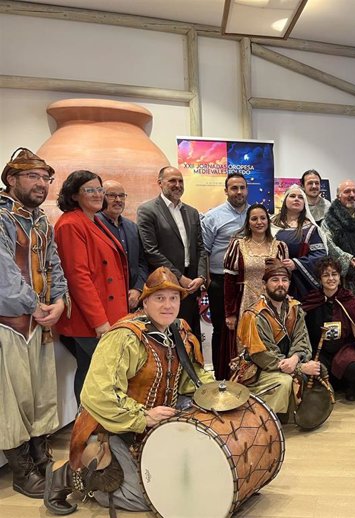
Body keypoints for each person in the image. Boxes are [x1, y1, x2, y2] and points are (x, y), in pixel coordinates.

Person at [43, 267, 214, 515]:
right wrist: (143, 416)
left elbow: (191, 380)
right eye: (159, 298)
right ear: (144, 303)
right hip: (113, 427)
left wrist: (217, 393)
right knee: (146, 499)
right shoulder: (124, 337)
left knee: (179, 483)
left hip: (154, 424)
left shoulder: (180, 331)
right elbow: (99, 394)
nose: (168, 305)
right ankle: (70, 474)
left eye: (173, 298)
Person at [0, 148, 68, 499]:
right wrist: (36, 305)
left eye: (45, 178)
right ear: (11, 179)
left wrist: (58, 301)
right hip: (8, 322)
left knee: (42, 394)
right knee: (13, 399)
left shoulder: (41, 220)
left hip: (40, 321)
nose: (42, 184)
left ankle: (41, 456)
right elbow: (4, 275)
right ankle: (21, 470)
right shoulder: (1, 217)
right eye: (33, 177)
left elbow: (54, 263)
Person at [54, 170, 129, 405]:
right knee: (101, 377)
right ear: (74, 195)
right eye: (90, 190)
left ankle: (92, 430)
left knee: (91, 373)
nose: (97, 195)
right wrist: (100, 322)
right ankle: (92, 430)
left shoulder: (93, 220)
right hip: (90, 320)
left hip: (108, 314)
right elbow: (78, 277)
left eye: (99, 190)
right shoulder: (70, 224)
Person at [236, 261, 319, 416]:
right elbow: (263, 356)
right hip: (260, 371)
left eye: (284, 280)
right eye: (275, 280)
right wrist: (299, 367)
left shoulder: (295, 308)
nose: (280, 284)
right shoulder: (254, 315)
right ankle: (265, 421)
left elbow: (302, 340)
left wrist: (295, 359)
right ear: (264, 284)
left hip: (289, 363)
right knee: (284, 382)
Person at [137, 166, 208, 338]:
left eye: (180, 181)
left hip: (191, 285)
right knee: (170, 336)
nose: (177, 185)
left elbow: (200, 248)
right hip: (165, 285)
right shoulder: (148, 210)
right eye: (172, 181)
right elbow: (151, 250)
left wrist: (200, 277)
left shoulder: (191, 212)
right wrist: (179, 277)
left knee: (191, 336)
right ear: (160, 183)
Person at [222, 204, 288, 379]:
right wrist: (230, 313)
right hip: (245, 301)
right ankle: (244, 384)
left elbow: (284, 282)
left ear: (268, 220)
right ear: (248, 222)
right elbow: (229, 282)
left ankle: (270, 383)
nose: (259, 222)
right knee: (245, 346)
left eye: (262, 218)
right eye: (254, 218)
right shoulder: (238, 245)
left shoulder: (279, 246)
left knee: (270, 344)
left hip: (271, 304)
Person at [302, 257, 355, 401]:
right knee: (314, 369)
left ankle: (350, 386)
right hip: (320, 350)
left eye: (334, 274)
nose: (331, 278)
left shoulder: (349, 300)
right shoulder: (311, 300)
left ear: (339, 276)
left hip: (343, 348)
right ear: (320, 279)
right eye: (326, 275)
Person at [201, 173, 248, 377]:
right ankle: (221, 376)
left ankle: (246, 376)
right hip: (221, 281)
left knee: (249, 328)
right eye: (234, 188)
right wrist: (208, 280)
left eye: (242, 188)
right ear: (226, 191)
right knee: (222, 330)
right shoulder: (213, 217)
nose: (238, 192)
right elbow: (204, 250)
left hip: (248, 281)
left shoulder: (255, 214)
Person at [96, 180, 148, 311]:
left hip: (133, 300)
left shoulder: (132, 227)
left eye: (122, 195)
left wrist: (137, 289)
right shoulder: (94, 225)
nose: (118, 200)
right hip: (106, 300)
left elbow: (142, 262)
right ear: (102, 197)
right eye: (112, 195)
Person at [271, 184, 327, 298]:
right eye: (292, 196)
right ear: (285, 200)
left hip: (299, 284)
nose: (296, 199)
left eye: (300, 197)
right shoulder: (270, 224)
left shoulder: (310, 229)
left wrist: (296, 263)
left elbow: (320, 255)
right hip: (271, 280)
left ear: (304, 203)